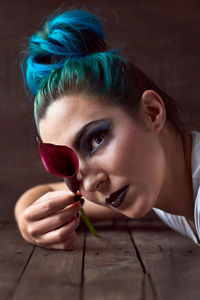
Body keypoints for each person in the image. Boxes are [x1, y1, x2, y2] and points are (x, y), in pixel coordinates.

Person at [15, 8, 200, 250]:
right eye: (69, 168)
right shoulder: (156, 179)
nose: (90, 185)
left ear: (151, 112)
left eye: (96, 140)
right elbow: (44, 192)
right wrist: (27, 223)